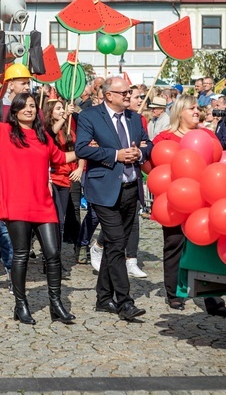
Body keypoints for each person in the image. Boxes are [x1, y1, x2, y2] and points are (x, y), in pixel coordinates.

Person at [0, 92, 77, 325]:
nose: (29, 109)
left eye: (31, 106)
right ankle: (21, 305)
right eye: (24, 106)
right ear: (15, 111)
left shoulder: (43, 136)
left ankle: (56, 304)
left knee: (53, 253)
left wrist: (90, 152)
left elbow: (59, 158)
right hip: (17, 204)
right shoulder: (4, 131)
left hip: (43, 203)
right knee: (21, 255)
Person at [75, 76, 152, 321]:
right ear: (109, 95)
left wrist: (140, 152)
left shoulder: (135, 117)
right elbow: (82, 149)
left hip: (131, 187)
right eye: (124, 93)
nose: (129, 96)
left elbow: (148, 145)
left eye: (130, 92)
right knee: (118, 243)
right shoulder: (90, 116)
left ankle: (103, 297)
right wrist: (115, 155)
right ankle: (125, 302)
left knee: (114, 244)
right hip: (104, 189)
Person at [152, 95, 226, 316]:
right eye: (191, 108)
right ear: (179, 112)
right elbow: (154, 166)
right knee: (174, 248)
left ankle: (213, 300)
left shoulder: (207, 135)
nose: (197, 112)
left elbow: (217, 163)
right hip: (176, 201)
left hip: (205, 201)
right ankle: (175, 295)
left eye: (198, 108)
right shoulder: (165, 138)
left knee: (207, 250)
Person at [0, 64, 31, 292]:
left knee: (26, 223)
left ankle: (19, 266)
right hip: (3, 175)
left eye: (28, 82)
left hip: (28, 175)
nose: (27, 86)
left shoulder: (33, 109)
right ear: (11, 84)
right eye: (23, 82)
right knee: (4, 224)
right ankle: (12, 271)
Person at [43, 98, 83, 280]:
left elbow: (80, 148)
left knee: (61, 221)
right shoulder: (46, 129)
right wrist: (64, 117)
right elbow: (51, 133)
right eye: (58, 108)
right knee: (54, 221)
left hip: (66, 179)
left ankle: (55, 260)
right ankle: (50, 260)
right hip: (52, 178)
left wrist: (80, 168)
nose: (61, 110)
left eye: (62, 108)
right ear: (50, 111)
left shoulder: (69, 129)